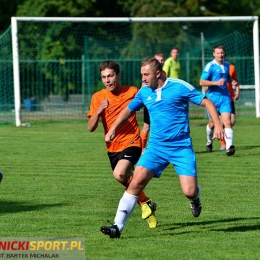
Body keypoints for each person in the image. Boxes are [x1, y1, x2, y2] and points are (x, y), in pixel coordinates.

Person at [100, 57, 225, 238]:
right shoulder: (144, 92)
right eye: (141, 74)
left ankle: (195, 198)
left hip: (181, 147)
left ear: (158, 73)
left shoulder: (179, 86)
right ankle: (117, 227)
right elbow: (128, 110)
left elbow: (206, 102)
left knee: (189, 191)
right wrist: (113, 128)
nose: (143, 79)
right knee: (136, 183)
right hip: (156, 148)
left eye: (146, 75)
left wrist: (218, 124)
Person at [87, 60, 157, 229]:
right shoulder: (98, 97)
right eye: (104, 77)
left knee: (119, 173)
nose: (107, 80)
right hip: (112, 147)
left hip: (132, 141)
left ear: (118, 75)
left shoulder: (132, 92)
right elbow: (90, 128)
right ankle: (146, 203)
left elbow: (151, 97)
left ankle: (123, 220)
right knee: (124, 178)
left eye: (110, 76)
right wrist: (98, 112)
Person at [200, 45, 237, 156]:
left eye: (222, 53)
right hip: (213, 98)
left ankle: (229, 148)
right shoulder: (210, 66)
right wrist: (215, 83)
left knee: (227, 122)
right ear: (213, 54)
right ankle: (209, 141)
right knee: (212, 123)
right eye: (218, 53)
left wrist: (232, 82)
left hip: (225, 97)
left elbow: (227, 78)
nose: (220, 55)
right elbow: (201, 82)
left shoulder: (227, 65)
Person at [140, 52, 165, 151]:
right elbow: (143, 87)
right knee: (146, 126)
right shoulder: (148, 73)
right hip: (150, 102)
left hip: (160, 103)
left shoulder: (163, 73)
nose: (161, 62)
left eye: (162, 60)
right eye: (158, 60)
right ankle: (142, 150)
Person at [219, 62, 240, 150]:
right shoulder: (214, 68)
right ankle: (224, 144)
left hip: (230, 98)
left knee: (231, 122)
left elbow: (235, 80)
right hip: (220, 98)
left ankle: (227, 144)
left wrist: (237, 92)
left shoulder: (231, 67)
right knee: (223, 122)